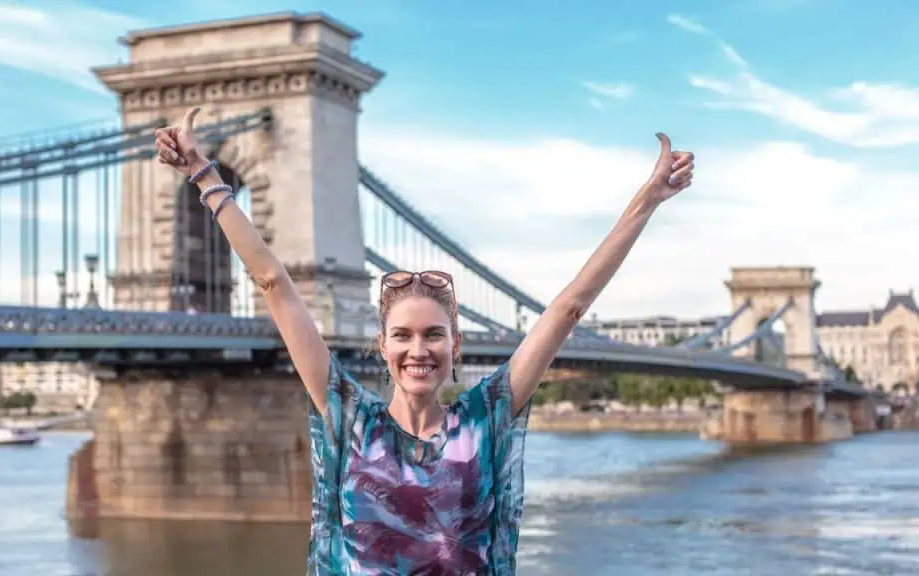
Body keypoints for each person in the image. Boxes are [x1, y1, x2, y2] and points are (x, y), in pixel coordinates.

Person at [155, 107, 694, 575]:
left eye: (435, 334)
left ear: (456, 345)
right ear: (382, 347)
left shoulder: (487, 418)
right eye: (404, 336)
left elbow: (568, 308)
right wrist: (205, 176)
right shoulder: (347, 415)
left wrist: (647, 201)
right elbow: (274, 285)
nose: (420, 349)